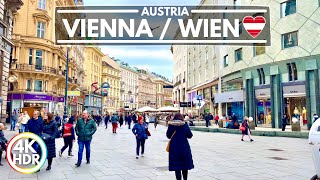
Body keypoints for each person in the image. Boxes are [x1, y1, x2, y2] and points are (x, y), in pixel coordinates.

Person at [166, 113, 194, 180]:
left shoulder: (171, 125)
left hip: (174, 148)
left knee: (177, 166)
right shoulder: (185, 124)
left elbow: (168, 135)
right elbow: (190, 135)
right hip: (184, 148)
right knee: (185, 165)